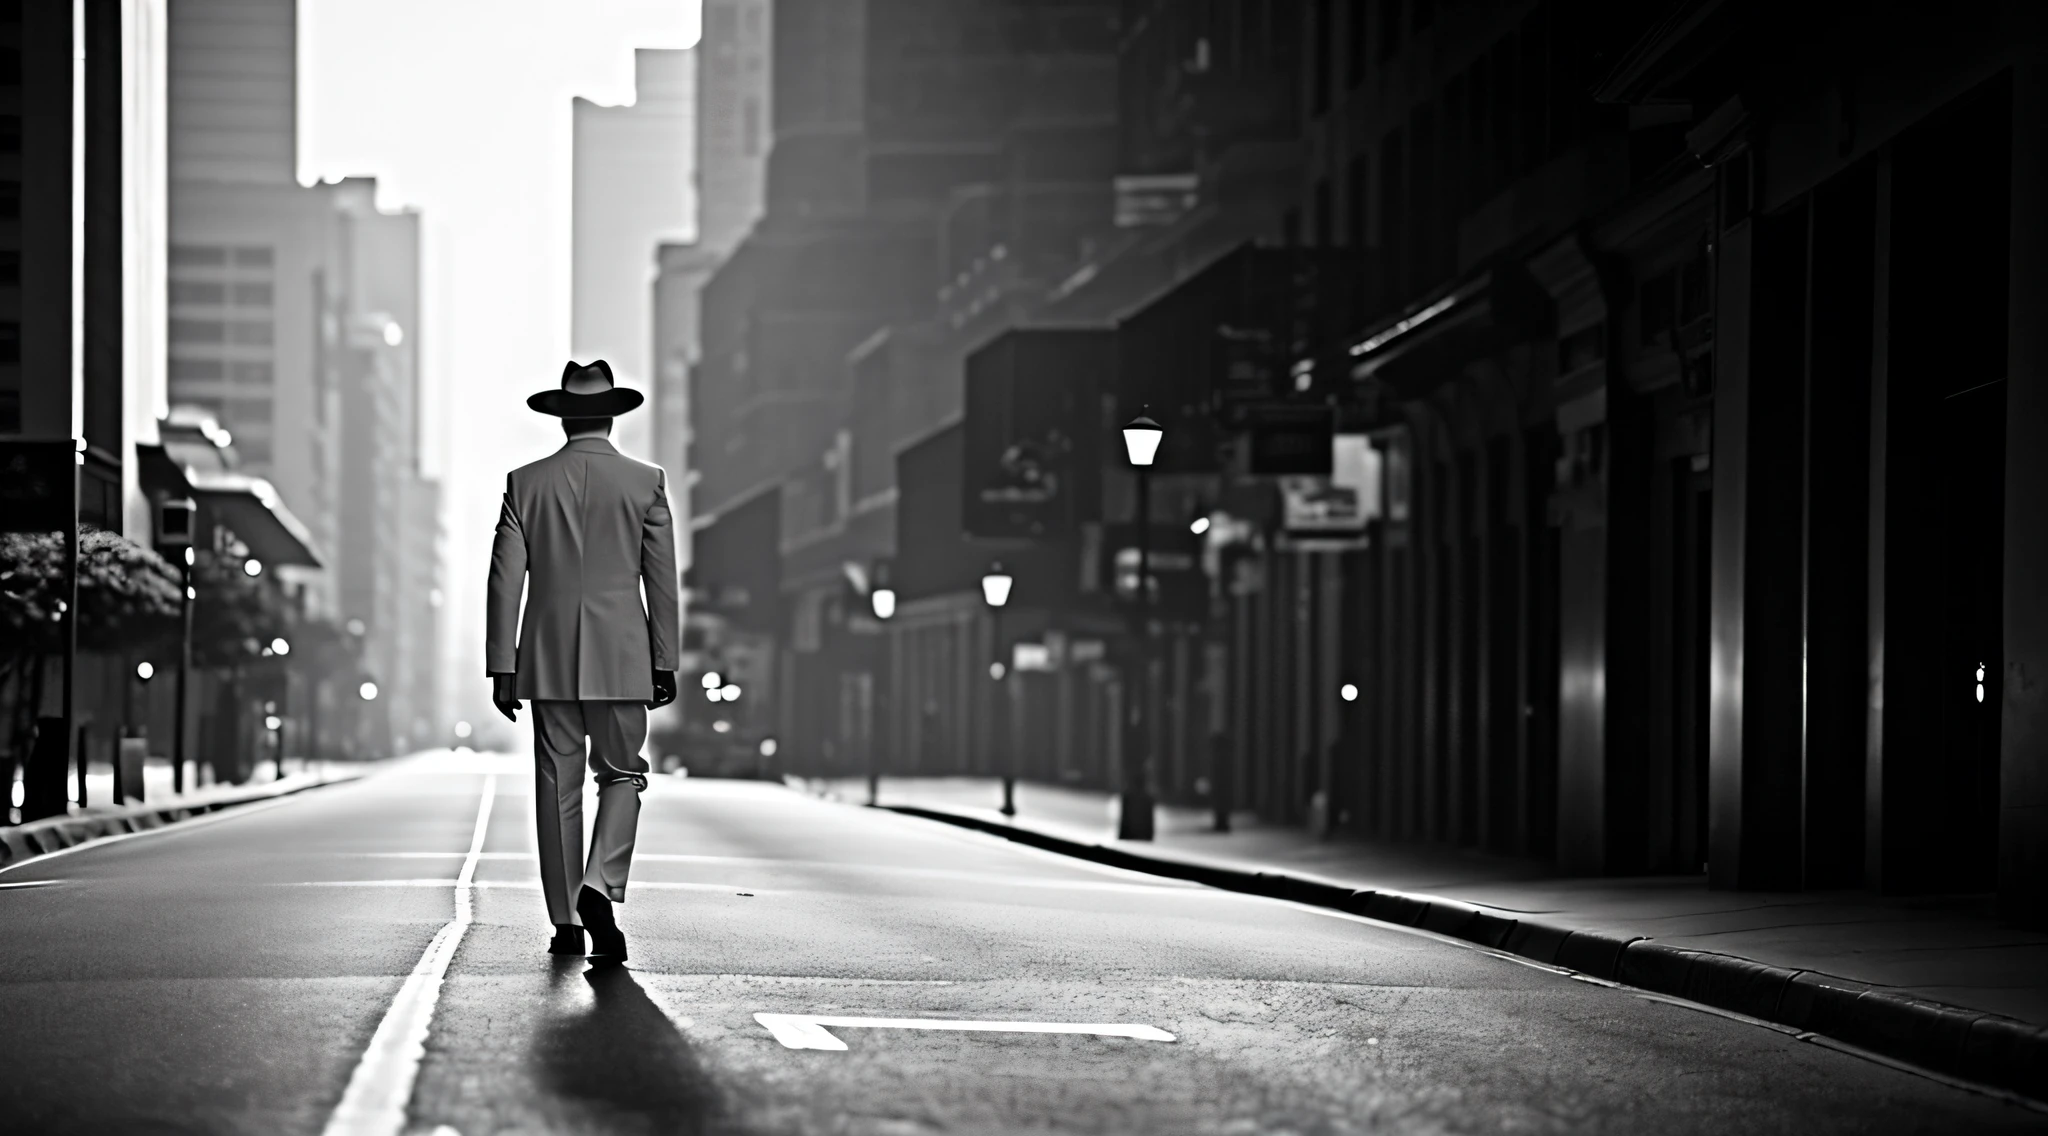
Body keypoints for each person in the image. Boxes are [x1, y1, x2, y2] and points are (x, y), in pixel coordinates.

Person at [486, 360, 680, 963]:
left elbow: (503, 580)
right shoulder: (646, 482)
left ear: (564, 416)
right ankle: (600, 883)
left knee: (558, 788)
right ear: (612, 414)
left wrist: (503, 664)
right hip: (623, 656)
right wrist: (664, 659)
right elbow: (661, 580)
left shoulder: (526, 483)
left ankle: (568, 922)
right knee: (623, 774)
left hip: (545, 657)